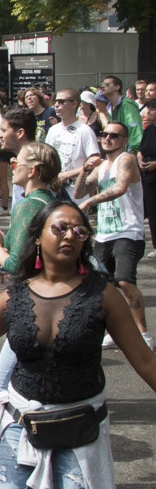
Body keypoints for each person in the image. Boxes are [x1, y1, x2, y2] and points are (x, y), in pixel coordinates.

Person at [0, 201, 156, 489]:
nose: (69, 236)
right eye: (59, 228)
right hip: (19, 426)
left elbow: (146, 362)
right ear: (39, 238)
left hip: (79, 430)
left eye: (79, 231)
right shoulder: (14, 296)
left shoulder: (103, 296)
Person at [75, 121, 153, 349]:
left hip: (128, 231)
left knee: (125, 280)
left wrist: (91, 200)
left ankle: (144, 334)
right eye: (104, 134)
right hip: (104, 235)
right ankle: (114, 332)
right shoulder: (101, 167)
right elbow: (80, 192)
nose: (107, 138)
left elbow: (120, 188)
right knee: (103, 286)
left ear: (124, 140)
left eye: (114, 136)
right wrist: (84, 170)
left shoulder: (126, 159)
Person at [0, 142, 61, 278]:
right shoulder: (51, 200)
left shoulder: (27, 205)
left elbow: (16, 265)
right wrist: (6, 240)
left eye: (14, 163)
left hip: (34, 288)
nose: (11, 168)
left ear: (31, 171)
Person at [44, 87, 100, 203]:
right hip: (53, 190)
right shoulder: (53, 130)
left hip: (75, 191)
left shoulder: (85, 131)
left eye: (62, 102)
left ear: (74, 104)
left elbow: (95, 162)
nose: (57, 105)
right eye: (55, 102)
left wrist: (66, 175)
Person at [95, 75, 143, 151]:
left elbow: (135, 128)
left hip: (128, 153)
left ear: (117, 87)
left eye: (107, 84)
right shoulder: (110, 107)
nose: (103, 86)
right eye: (102, 84)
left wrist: (133, 150)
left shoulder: (127, 105)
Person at [139, 101, 156, 258]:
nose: (148, 112)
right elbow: (141, 149)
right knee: (152, 211)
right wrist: (140, 160)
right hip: (148, 177)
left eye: (152, 110)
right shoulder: (149, 129)